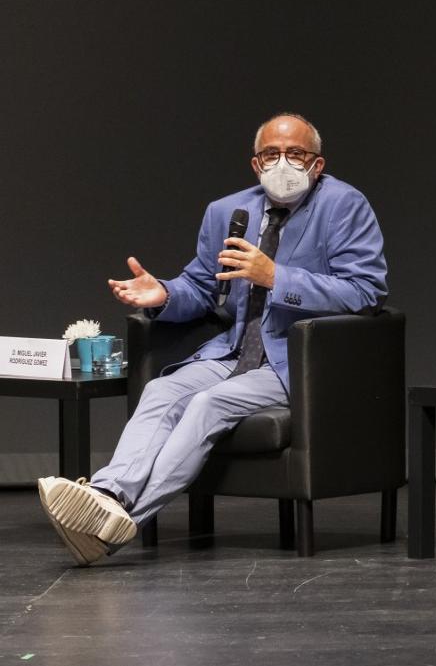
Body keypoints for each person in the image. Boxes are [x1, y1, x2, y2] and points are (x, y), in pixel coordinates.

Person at [37, 113, 388, 566]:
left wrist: (277, 277)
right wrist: (162, 294)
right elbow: (203, 289)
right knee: (163, 390)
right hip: (233, 350)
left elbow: (365, 291)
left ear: (317, 164)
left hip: (295, 359)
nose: (283, 163)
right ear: (255, 164)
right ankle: (107, 492)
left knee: (209, 404)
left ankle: (120, 519)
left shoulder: (344, 205)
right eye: (271, 155)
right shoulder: (227, 211)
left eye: (295, 154)